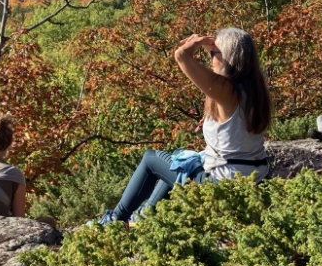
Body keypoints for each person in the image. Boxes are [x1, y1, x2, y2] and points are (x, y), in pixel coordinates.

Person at [99, 28, 272, 224]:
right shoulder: (254, 90)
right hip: (252, 178)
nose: (210, 60)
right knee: (183, 158)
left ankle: (116, 220)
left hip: (222, 187)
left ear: (228, 59)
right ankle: (145, 216)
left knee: (151, 159)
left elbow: (181, 56)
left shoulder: (228, 93)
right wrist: (212, 47)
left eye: (213, 54)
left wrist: (196, 43)